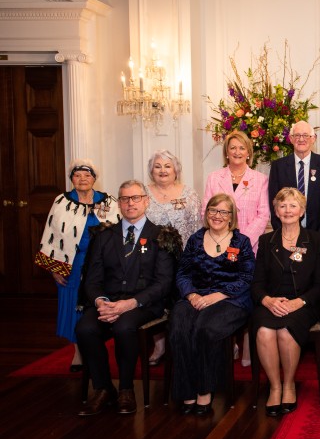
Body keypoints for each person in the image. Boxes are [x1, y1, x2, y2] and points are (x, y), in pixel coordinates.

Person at [75, 180, 175, 416]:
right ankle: (102, 388)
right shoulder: (104, 236)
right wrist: (100, 301)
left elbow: (163, 283)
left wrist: (130, 304)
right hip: (107, 301)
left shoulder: (161, 235)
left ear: (146, 201)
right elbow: (91, 278)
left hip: (143, 304)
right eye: (125, 199)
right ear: (119, 203)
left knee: (124, 327)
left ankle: (126, 389)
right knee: (85, 329)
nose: (130, 203)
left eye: (135, 198)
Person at [169, 194, 255, 416]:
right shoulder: (195, 240)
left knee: (205, 328)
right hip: (196, 297)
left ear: (231, 217)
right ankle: (186, 390)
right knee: (179, 325)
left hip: (232, 300)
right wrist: (191, 295)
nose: (217, 216)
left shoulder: (241, 242)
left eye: (223, 212)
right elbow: (182, 274)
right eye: (213, 210)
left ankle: (205, 391)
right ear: (206, 214)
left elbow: (246, 278)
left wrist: (217, 296)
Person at [34, 160, 120, 372]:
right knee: (74, 306)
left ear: (94, 178)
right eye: (77, 175)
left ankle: (99, 349)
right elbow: (51, 234)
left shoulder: (108, 201)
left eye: (87, 175)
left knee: (101, 304)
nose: (82, 179)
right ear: (71, 178)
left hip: (102, 263)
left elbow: (119, 228)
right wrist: (54, 267)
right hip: (72, 262)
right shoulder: (61, 201)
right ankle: (78, 353)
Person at [252, 188, 320, 417]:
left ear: (302, 211)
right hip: (272, 302)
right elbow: (256, 283)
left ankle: (290, 384)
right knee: (264, 331)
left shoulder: (315, 240)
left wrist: (298, 302)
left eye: (293, 205)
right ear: (276, 211)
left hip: (303, 303)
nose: (288, 210)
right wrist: (268, 300)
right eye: (282, 206)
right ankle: (275, 386)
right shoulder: (266, 241)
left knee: (285, 331)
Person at [204, 130, 269, 366]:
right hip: (218, 245)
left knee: (247, 293)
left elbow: (263, 215)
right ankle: (228, 340)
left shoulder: (260, 179)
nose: (237, 152)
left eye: (242, 148)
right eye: (233, 148)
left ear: (249, 153)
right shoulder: (214, 178)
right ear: (226, 152)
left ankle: (248, 346)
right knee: (222, 288)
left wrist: (240, 241)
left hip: (250, 247)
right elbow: (206, 210)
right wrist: (225, 239)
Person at [144, 149, 201, 366]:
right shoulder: (143, 193)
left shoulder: (189, 193)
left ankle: (183, 342)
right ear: (151, 171)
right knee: (156, 299)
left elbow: (197, 228)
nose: (162, 170)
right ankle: (159, 346)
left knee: (182, 301)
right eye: (157, 166)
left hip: (185, 257)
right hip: (151, 259)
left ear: (176, 170)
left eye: (167, 166)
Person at [268, 120, 320, 235]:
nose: (301, 139)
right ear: (290, 139)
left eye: (306, 135)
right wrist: (284, 234)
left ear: (313, 138)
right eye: (297, 135)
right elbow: (274, 205)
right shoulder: (278, 166)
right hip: (286, 235)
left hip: (319, 237)